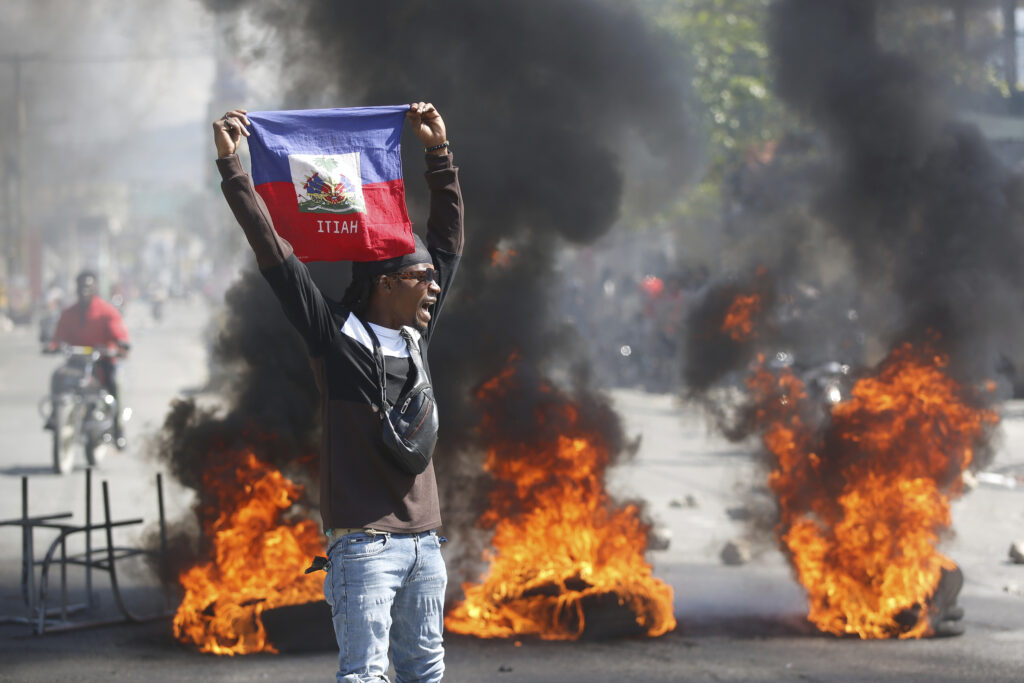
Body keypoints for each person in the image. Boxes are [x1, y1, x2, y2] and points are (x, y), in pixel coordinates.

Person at [214, 102, 463, 682]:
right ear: (384, 285)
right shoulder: (336, 337)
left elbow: (448, 245)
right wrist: (235, 171)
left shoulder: (415, 337)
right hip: (364, 550)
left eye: (431, 279)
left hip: (426, 545)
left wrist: (438, 155)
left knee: (425, 671)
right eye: (420, 277)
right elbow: (275, 253)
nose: (433, 285)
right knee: (365, 675)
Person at [50, 270, 131, 448]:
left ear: (95, 287)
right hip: (77, 361)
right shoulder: (69, 313)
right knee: (57, 376)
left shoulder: (107, 311)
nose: (84, 290)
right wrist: (53, 346)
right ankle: (55, 416)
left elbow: (119, 334)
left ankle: (119, 431)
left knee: (115, 384)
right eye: (81, 286)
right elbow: (58, 337)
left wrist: (120, 346)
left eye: (88, 285)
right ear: (76, 288)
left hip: (102, 362)